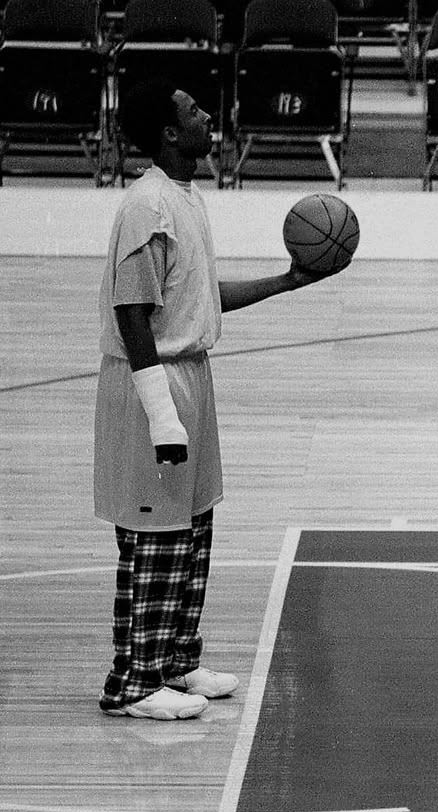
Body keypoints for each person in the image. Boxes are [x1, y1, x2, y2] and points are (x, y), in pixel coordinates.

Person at [95, 78, 348, 720]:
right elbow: (132, 314)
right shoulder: (146, 207)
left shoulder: (185, 198)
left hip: (192, 374)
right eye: (192, 111)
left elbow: (202, 299)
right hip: (154, 380)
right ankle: (132, 682)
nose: (208, 116)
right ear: (170, 135)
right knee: (155, 533)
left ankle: (175, 663)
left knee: (195, 526)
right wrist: (161, 414)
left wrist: (291, 280)